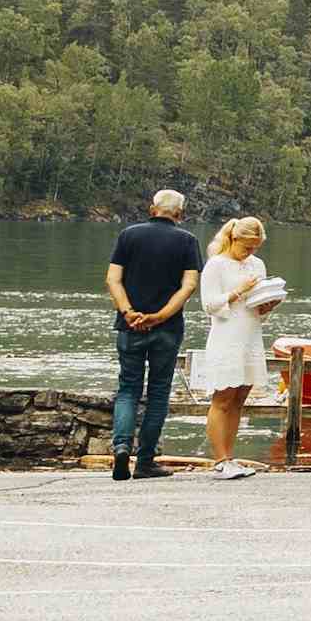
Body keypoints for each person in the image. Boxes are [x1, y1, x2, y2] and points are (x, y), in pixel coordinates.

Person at [103, 184, 203, 484]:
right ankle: (145, 461)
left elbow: (113, 279)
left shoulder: (128, 235)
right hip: (167, 329)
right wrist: (160, 316)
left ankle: (121, 447)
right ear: (180, 214)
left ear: (151, 209)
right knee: (158, 392)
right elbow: (188, 286)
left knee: (128, 389)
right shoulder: (187, 241)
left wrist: (128, 312)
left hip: (129, 326)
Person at [193, 215, 284, 476]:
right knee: (222, 397)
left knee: (240, 398)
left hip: (250, 335)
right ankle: (220, 459)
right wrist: (239, 291)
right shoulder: (216, 265)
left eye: (255, 247)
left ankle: (230, 457)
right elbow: (209, 304)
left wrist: (268, 306)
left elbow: (257, 310)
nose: (250, 252)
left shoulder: (257, 265)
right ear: (233, 238)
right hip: (226, 336)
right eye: (246, 247)